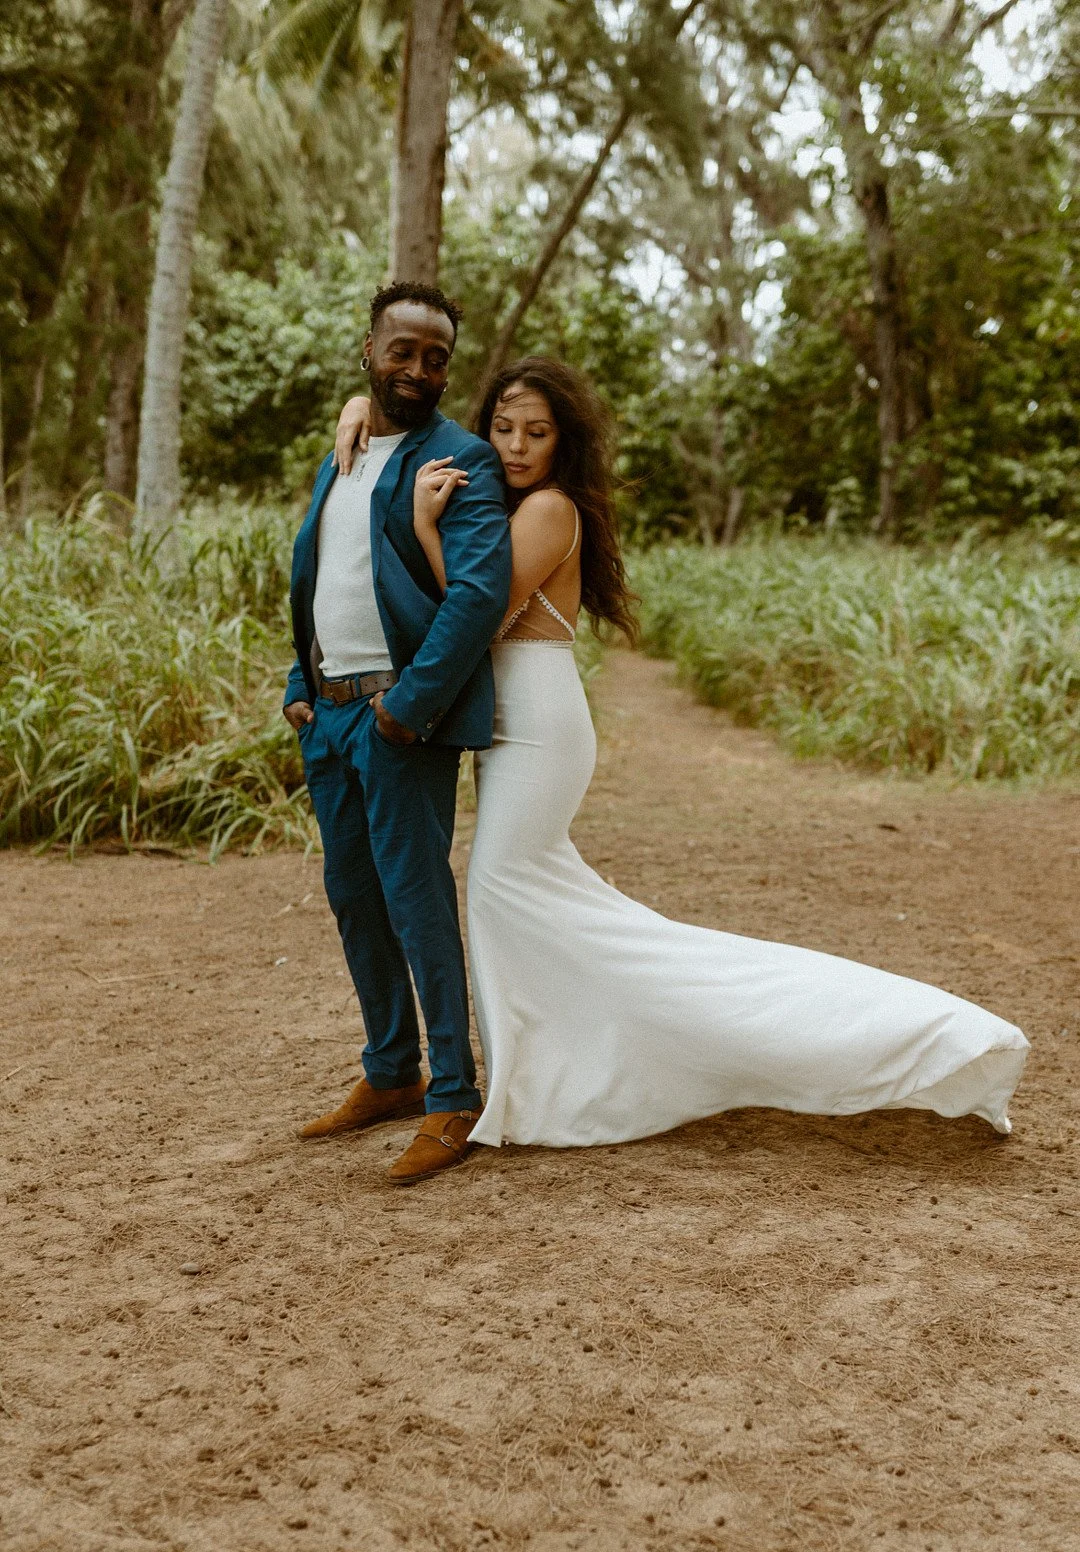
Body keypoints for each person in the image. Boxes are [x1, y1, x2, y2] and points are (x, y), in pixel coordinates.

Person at [332, 356, 1029, 1148]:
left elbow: (477, 612)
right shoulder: (506, 504)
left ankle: (566, 1076)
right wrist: (361, 403)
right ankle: (561, 1067)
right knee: (532, 907)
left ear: (565, 443)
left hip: (540, 730)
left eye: (537, 432)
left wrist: (425, 527)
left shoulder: (549, 510)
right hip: (515, 729)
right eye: (503, 429)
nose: (517, 446)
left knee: (500, 893)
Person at [284, 282, 511, 1184]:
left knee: (417, 903)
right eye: (403, 349)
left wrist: (406, 709)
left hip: (396, 722)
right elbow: (322, 573)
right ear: (369, 350)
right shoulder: (340, 455)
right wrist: (303, 680)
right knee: (353, 897)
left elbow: (477, 595)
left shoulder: (465, 460)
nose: (418, 368)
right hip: (328, 716)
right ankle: (392, 1074)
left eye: (436, 356)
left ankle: (454, 1096)